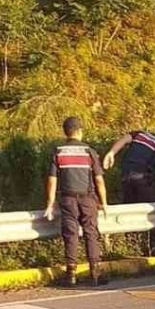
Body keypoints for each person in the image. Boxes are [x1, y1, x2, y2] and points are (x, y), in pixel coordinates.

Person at [45, 116, 109, 286]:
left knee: (70, 234)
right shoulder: (89, 151)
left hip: (67, 199)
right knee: (91, 234)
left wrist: (50, 203)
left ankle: (71, 275)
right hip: (88, 199)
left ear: (65, 132)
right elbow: (99, 180)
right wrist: (104, 202)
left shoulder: (58, 152)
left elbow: (52, 179)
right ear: (80, 131)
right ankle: (95, 273)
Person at [103, 125, 155, 203]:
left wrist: (111, 153)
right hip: (144, 180)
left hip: (126, 176)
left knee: (130, 208)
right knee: (147, 209)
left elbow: (124, 139)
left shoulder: (140, 134)